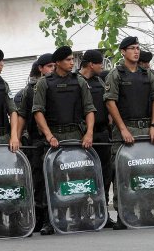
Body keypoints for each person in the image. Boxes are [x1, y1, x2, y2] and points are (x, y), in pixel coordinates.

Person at [31, 46, 97, 235]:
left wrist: (89, 133)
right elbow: (38, 111)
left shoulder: (79, 81)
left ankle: (79, 217)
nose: (72, 62)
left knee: (78, 178)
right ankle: (51, 220)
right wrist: (49, 135)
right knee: (52, 180)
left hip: (76, 135)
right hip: (54, 138)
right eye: (68, 59)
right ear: (58, 62)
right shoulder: (44, 83)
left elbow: (89, 109)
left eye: (72, 59)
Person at [104, 36, 154, 230]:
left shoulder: (147, 74)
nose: (136, 51)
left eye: (138, 48)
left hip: (146, 128)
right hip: (126, 128)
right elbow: (110, 102)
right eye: (132, 48)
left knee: (149, 171)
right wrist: (122, 129)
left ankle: (147, 211)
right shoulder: (116, 74)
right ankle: (124, 214)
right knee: (122, 173)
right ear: (123, 52)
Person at [17, 53, 54, 233]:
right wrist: (16, 138)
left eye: (54, 66)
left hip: (55, 139)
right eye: (49, 67)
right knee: (38, 180)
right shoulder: (29, 90)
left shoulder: (56, 86)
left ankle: (52, 217)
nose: (52, 70)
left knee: (55, 178)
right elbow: (22, 115)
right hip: (36, 140)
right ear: (40, 68)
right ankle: (40, 217)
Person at [77, 50, 114, 227]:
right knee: (83, 177)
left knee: (104, 176)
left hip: (101, 134)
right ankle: (83, 214)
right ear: (91, 64)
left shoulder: (99, 81)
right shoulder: (75, 81)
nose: (102, 66)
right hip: (83, 136)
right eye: (100, 63)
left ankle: (103, 212)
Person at [0, 49, 21, 152]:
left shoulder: (2, 84)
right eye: (0, 61)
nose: (3, 64)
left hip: (3, 137)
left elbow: (13, 111)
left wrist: (14, 136)